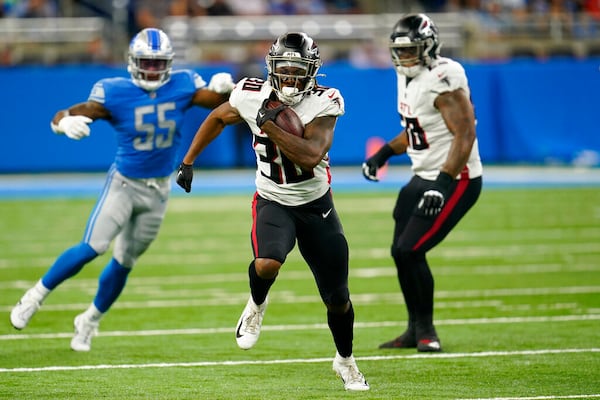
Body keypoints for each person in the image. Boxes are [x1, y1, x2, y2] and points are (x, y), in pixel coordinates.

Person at [9, 28, 234, 352]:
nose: (153, 70)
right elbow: (68, 113)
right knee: (92, 247)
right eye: (147, 63)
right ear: (133, 62)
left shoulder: (182, 83)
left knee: (124, 261)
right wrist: (61, 124)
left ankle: (89, 322)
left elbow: (216, 102)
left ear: (169, 64)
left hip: (159, 191)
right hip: (124, 185)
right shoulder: (114, 91)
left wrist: (222, 88)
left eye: (159, 64)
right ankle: (34, 297)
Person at [176, 32, 369, 391]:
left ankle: (345, 361)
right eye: (285, 70)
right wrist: (188, 161)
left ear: (312, 71)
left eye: (298, 71)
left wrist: (268, 123)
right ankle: (255, 305)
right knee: (267, 263)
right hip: (272, 197)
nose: (291, 78)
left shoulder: (325, 101)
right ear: (272, 69)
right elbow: (219, 117)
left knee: (338, 298)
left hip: (315, 205)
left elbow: (311, 156)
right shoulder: (251, 93)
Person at [362, 13, 483, 352]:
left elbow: (465, 132)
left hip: (455, 178)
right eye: (401, 51)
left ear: (430, 47)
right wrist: (384, 153)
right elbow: (419, 131)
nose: (406, 57)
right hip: (424, 175)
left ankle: (427, 331)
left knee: (410, 249)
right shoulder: (408, 79)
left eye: (413, 50)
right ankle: (414, 329)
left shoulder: (443, 77)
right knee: (400, 252)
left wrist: (443, 184)